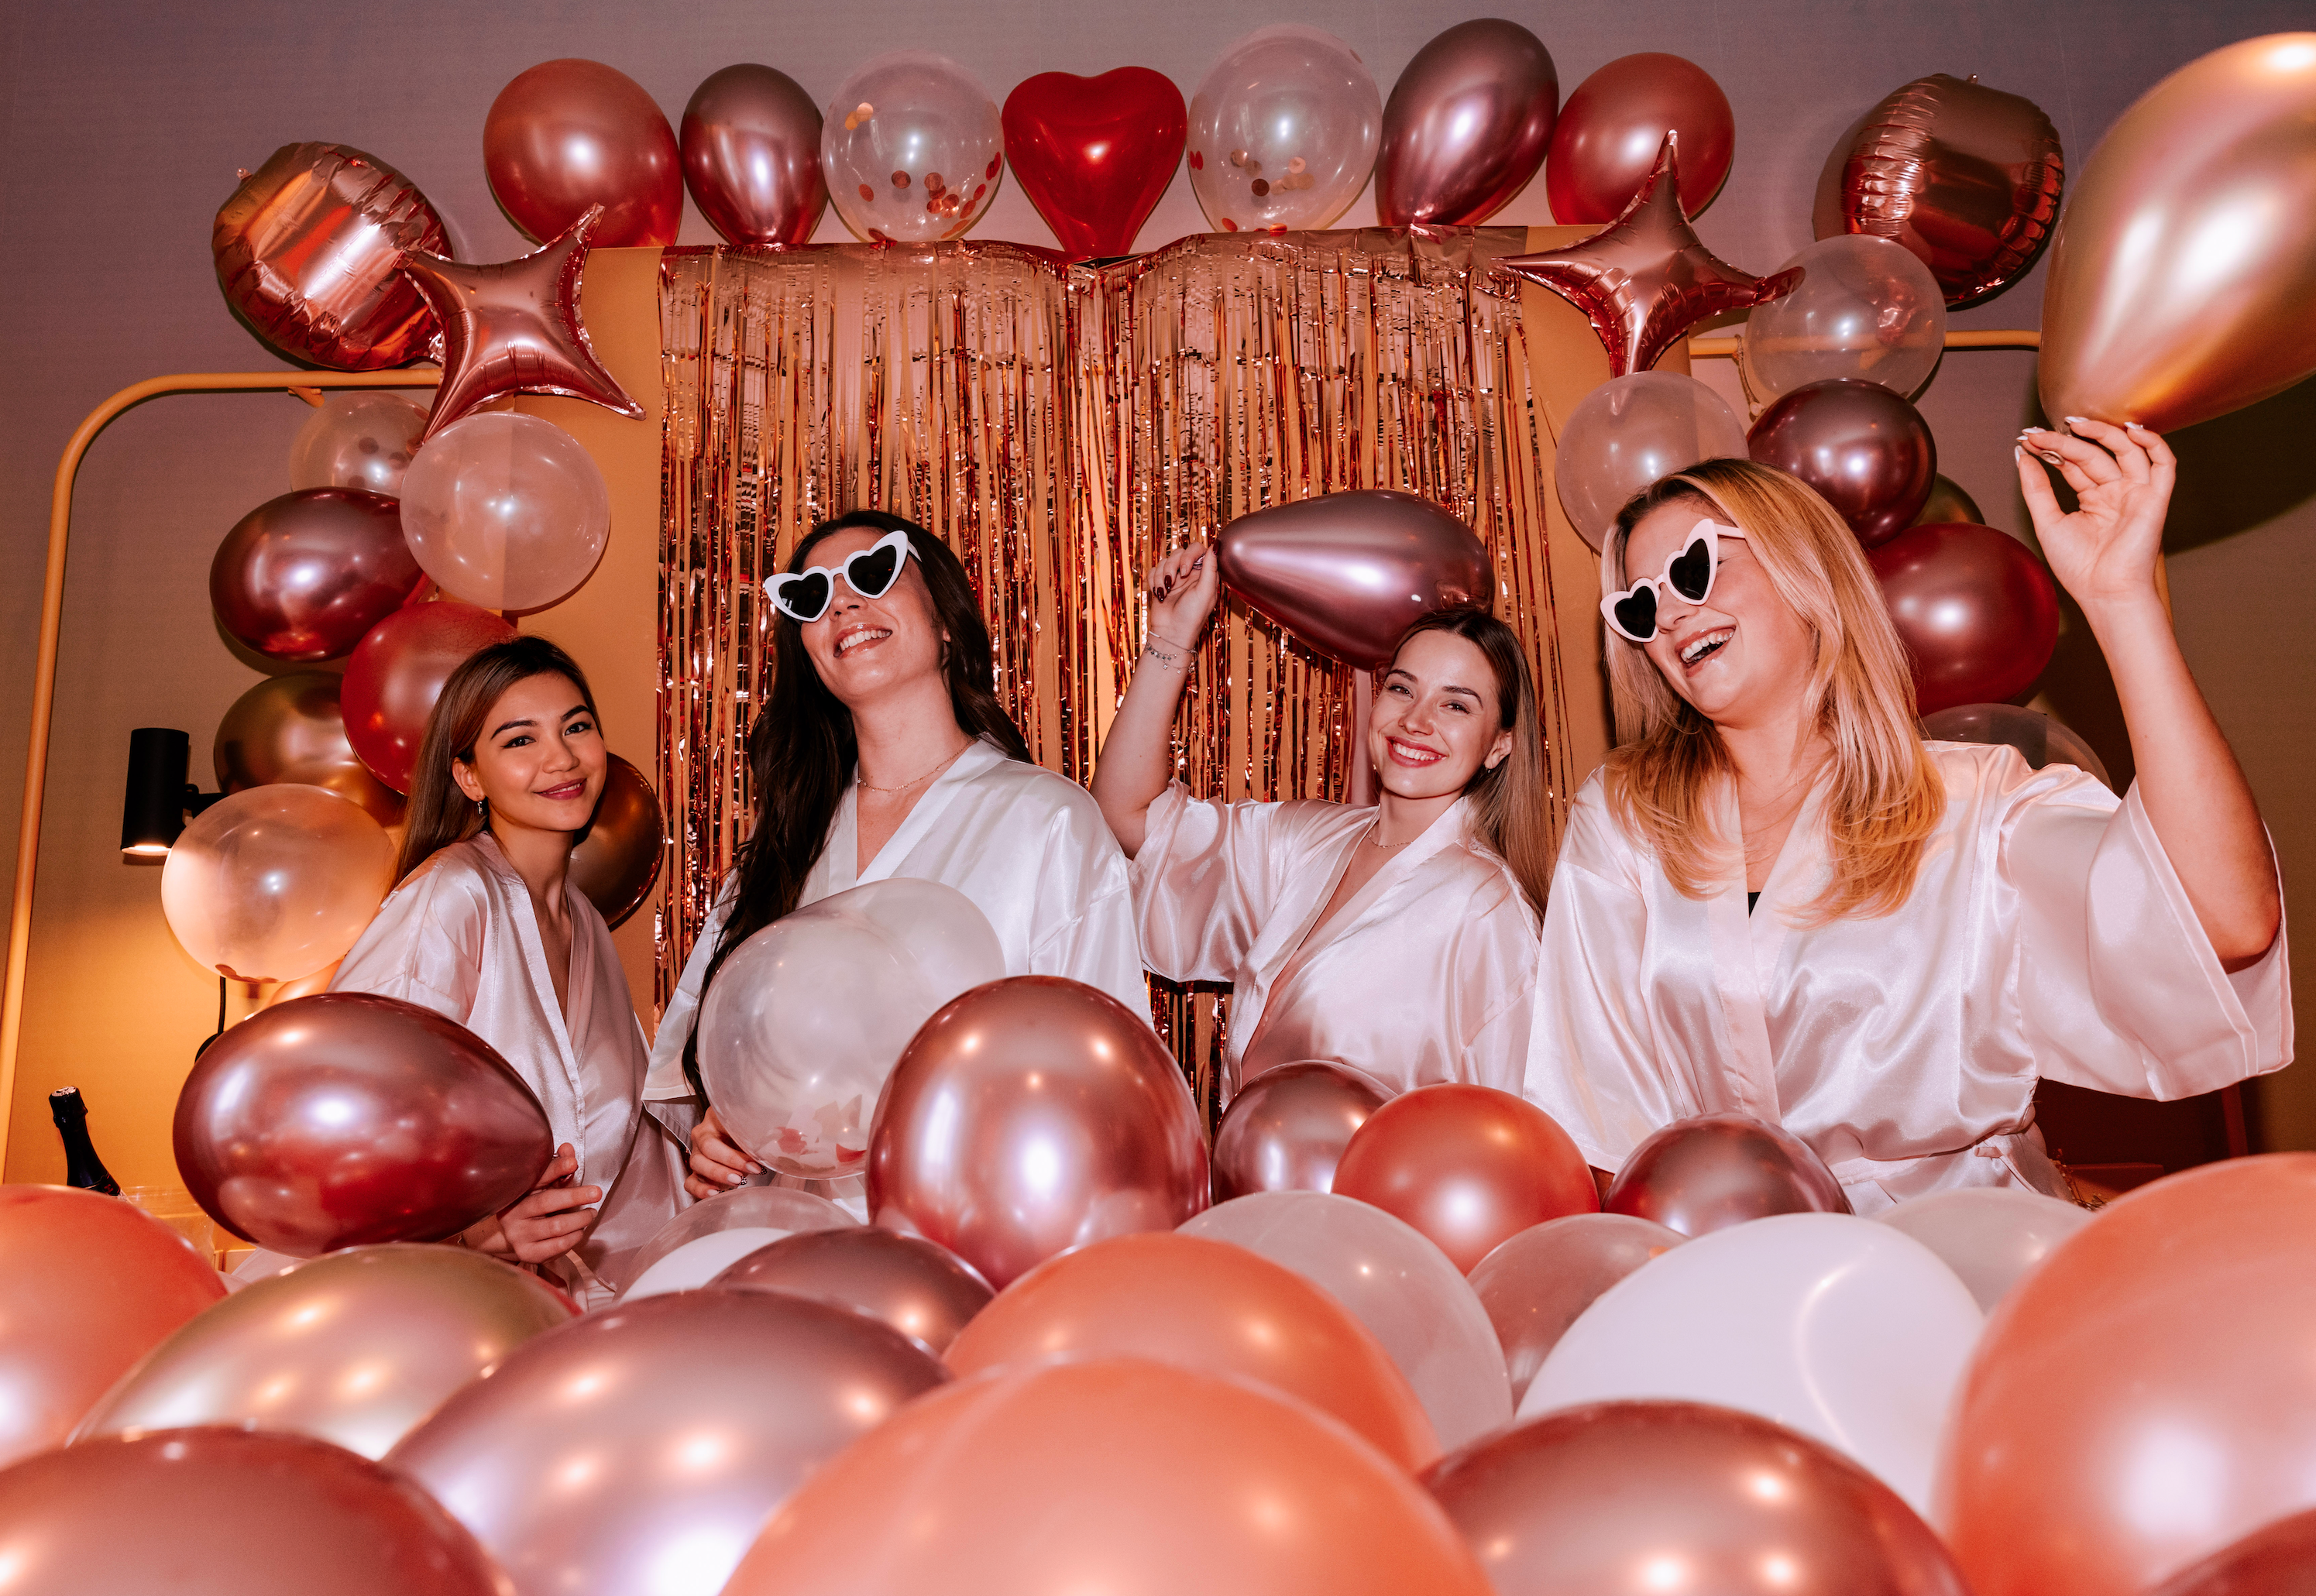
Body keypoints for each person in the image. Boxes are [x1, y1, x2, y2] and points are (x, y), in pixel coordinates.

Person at [1524, 423, 2290, 1209]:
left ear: (1803, 564)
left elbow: (2225, 920)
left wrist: (2121, 600)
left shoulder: (1975, 804)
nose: (1674, 614)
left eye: (1693, 568)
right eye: (1641, 606)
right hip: (1734, 1270)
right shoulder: (1623, 821)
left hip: (1968, 1261)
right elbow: (1598, 1123)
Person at [652, 511, 1146, 1200]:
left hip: (978, 1251)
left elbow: (1105, 1083)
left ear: (945, 618)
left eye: (872, 572)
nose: (843, 604)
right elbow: (725, 1068)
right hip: (804, 1258)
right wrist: (724, 1132)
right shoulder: (784, 846)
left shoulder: (1048, 820)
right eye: (812, 597)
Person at [1092, 542, 1551, 1100]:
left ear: (1501, 745)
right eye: (1402, 688)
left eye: (1455, 705)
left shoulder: (1487, 909)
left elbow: (1519, 1132)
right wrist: (1170, 638)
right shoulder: (1306, 840)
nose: (1415, 720)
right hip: (1253, 1185)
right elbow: (1129, 814)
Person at [323, 636, 687, 1303]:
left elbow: (637, 1163)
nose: (562, 757)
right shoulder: (452, 896)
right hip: (439, 1306)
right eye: (520, 740)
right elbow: (345, 1114)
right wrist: (473, 1236)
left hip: (562, 1310)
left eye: (576, 726)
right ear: (469, 776)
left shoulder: (587, 928)